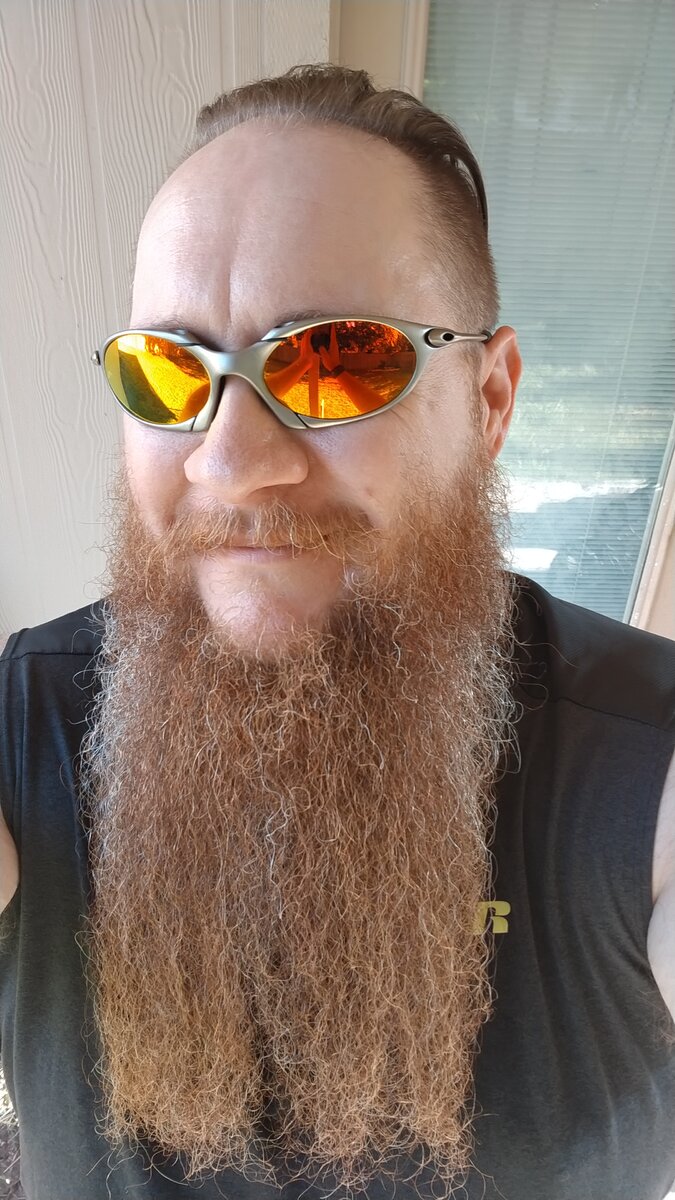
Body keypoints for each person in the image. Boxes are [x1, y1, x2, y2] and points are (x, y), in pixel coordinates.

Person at [0, 62, 674, 1200]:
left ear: (491, 400)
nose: (228, 461)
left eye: (336, 360)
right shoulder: (28, 715)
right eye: (167, 373)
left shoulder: (643, 753)